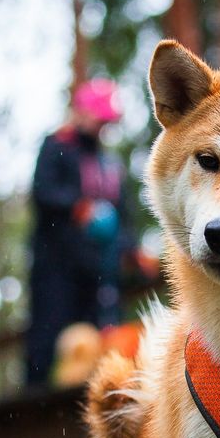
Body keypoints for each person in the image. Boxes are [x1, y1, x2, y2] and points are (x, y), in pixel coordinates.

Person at [25, 79, 133, 385]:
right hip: (56, 266)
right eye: (99, 118)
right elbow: (43, 193)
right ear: (82, 112)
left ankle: (93, 400)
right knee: (48, 333)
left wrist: (131, 249)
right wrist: (78, 207)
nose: (102, 126)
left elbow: (123, 215)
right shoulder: (57, 146)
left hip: (98, 269)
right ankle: (36, 403)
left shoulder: (108, 163)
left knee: (101, 337)